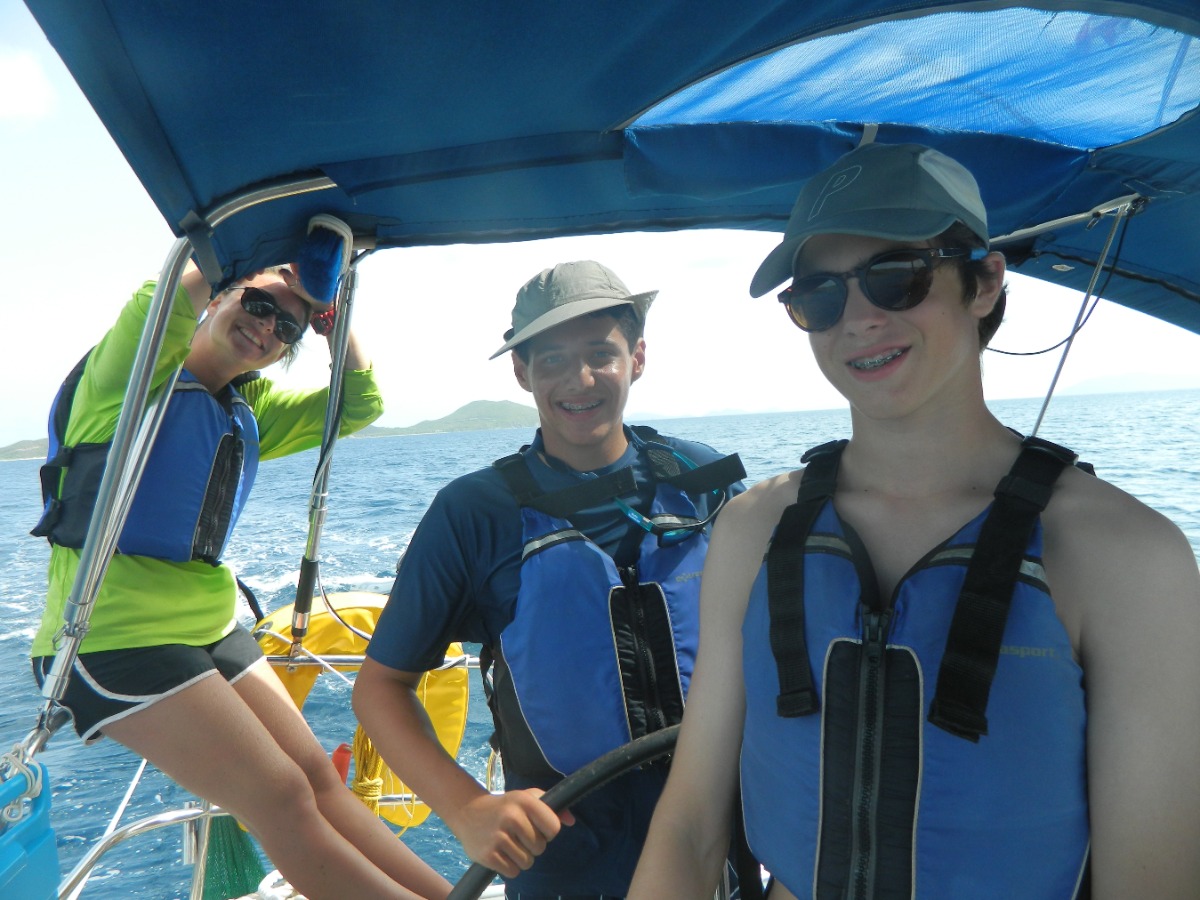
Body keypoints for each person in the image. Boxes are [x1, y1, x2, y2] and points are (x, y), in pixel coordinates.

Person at [628, 142, 1200, 899]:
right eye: (821, 296)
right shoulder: (751, 529)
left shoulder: (1127, 555)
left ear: (985, 281)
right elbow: (690, 827)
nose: (860, 319)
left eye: (897, 276)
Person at [31, 261, 452, 900]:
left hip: (208, 624)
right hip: (111, 636)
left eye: (288, 327)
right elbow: (168, 293)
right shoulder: (128, 382)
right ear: (220, 294)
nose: (267, 326)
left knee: (318, 779)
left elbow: (359, 402)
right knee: (282, 796)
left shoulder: (246, 409)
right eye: (257, 303)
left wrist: (334, 322)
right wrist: (260, 248)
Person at [354, 260, 745, 898]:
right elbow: (380, 687)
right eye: (553, 360)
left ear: (637, 358)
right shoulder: (474, 513)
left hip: (723, 842)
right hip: (569, 861)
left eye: (601, 354)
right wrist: (466, 808)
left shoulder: (706, 483)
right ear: (522, 372)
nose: (579, 379)